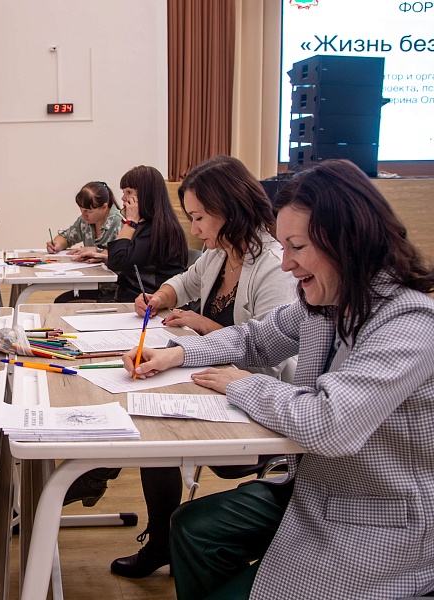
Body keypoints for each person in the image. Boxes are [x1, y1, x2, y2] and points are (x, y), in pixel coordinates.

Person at [124, 159, 434, 599]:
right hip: (316, 488)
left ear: (350, 240)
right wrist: (177, 353)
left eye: (297, 247)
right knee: (191, 528)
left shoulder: (409, 322)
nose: (286, 264)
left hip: (378, 515)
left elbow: (331, 423)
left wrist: (240, 383)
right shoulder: (327, 302)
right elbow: (254, 338)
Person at [72, 157, 297, 580]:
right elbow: (185, 282)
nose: (194, 229)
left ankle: (104, 485)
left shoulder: (274, 266)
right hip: (213, 376)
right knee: (148, 410)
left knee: (152, 423)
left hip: (254, 395)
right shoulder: (220, 253)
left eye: (199, 217)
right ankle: (157, 537)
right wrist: (160, 298)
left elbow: (270, 353)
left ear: (229, 210)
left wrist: (202, 325)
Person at [104, 165, 188, 301]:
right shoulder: (147, 225)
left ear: (145, 195)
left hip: (147, 302)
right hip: (132, 298)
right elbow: (123, 258)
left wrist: (130, 221)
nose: (123, 198)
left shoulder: (159, 230)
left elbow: (117, 261)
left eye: (128, 192)